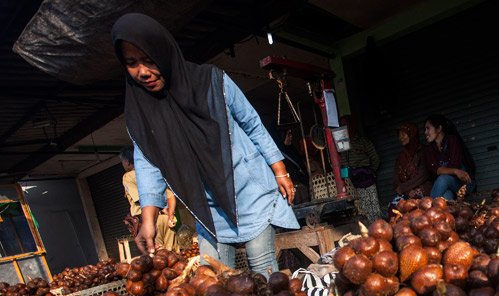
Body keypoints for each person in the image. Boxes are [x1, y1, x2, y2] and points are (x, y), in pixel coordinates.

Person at [112, 13, 298, 276]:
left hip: (248, 190)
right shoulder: (141, 113)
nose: (142, 72)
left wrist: (280, 170)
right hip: (207, 206)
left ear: (164, 52)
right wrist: (148, 219)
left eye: (149, 60)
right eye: (131, 63)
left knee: (262, 272)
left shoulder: (213, 81)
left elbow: (251, 123)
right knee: (213, 282)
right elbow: (148, 164)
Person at [119, 146, 179, 252]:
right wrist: (170, 214)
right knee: (173, 253)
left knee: (159, 257)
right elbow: (170, 196)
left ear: (127, 162)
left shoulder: (128, 176)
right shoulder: (154, 174)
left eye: (122, 162)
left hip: (150, 220)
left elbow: (141, 199)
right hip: (165, 219)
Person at [337, 115, 382, 223]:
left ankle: (378, 231)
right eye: (341, 125)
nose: (344, 127)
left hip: (366, 180)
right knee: (359, 210)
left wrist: (369, 172)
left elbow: (375, 158)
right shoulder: (341, 143)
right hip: (350, 183)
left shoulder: (362, 141)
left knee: (373, 209)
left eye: (345, 124)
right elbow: (340, 161)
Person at [423, 114, 477, 200]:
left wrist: (454, 170)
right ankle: (446, 213)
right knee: (446, 196)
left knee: (443, 179)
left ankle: (427, 210)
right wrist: (455, 171)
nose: (425, 132)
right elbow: (436, 170)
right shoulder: (429, 149)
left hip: (463, 184)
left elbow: (454, 165)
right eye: (425, 129)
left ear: (439, 129)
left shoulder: (452, 141)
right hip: (445, 186)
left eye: (428, 128)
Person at [388, 122, 432, 212]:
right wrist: (407, 191)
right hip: (406, 192)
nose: (400, 138)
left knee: (417, 209)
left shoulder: (424, 151)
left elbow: (423, 174)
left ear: (411, 134)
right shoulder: (400, 157)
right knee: (392, 209)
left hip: (422, 188)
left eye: (403, 134)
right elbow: (396, 179)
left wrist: (404, 188)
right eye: (399, 135)